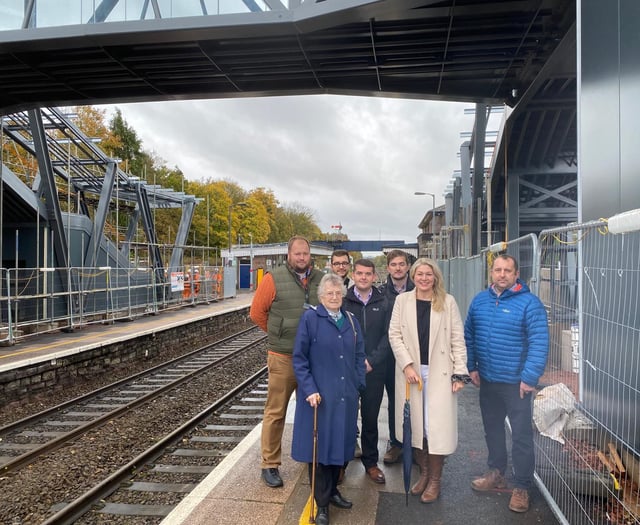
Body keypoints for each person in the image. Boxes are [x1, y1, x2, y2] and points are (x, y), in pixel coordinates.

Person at [464, 254, 549, 513]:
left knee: (521, 435)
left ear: (516, 274)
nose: (502, 274)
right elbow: (469, 334)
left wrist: (529, 378)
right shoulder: (479, 301)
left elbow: (539, 342)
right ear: (492, 272)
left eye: (507, 271)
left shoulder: (529, 304)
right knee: (493, 429)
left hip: (517, 384)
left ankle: (522, 485)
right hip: (488, 379)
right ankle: (496, 471)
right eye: (497, 270)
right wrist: (471, 366)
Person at [388, 258, 469, 503]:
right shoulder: (402, 301)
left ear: (435, 277)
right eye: (420, 274)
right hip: (412, 373)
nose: (424, 278)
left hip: (440, 373)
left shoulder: (448, 302)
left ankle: (435, 480)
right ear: (413, 276)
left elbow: (457, 338)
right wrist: (407, 365)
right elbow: (395, 334)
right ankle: (423, 474)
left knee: (436, 428)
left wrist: (459, 373)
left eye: (428, 274)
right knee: (417, 426)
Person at [250, 235, 324, 488]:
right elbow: (257, 313)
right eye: (297, 254)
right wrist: (278, 334)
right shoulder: (273, 278)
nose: (302, 258)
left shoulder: (321, 279)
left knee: (314, 411)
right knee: (276, 411)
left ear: (310, 255)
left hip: (313, 359)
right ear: (289, 254)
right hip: (283, 358)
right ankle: (269, 464)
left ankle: (312, 457)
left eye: (305, 254)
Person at [292, 273, 366, 525]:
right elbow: (299, 359)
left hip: (344, 397)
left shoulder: (352, 322)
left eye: (338, 293)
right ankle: (321, 503)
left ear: (343, 295)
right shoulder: (310, 319)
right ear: (321, 296)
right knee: (321, 452)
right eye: (329, 293)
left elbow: (359, 355)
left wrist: (358, 384)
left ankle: (333, 490)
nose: (334, 297)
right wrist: (309, 389)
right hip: (319, 398)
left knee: (342, 448)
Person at [342, 259, 390, 484]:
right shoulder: (343, 302)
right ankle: (340, 464)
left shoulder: (384, 302)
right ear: (353, 274)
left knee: (370, 419)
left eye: (367, 274)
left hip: (374, 370)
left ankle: (371, 463)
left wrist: (372, 361)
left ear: (374, 276)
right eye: (359, 273)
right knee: (346, 419)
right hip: (348, 371)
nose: (363, 277)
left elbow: (389, 336)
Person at [379, 249, 415, 464]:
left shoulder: (418, 289)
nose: (398, 268)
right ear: (388, 268)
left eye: (402, 264)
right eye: (394, 264)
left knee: (412, 400)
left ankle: (416, 445)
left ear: (408, 266)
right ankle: (396, 443)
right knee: (394, 401)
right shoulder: (381, 292)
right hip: (386, 356)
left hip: (411, 356)